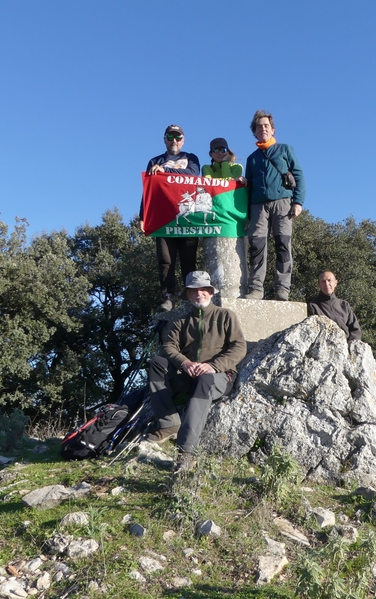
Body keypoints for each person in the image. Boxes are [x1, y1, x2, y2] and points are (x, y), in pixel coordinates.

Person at [145, 271, 247, 471]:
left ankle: (185, 452)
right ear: (189, 295)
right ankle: (168, 424)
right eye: (194, 290)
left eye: (203, 289)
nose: (199, 294)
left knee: (205, 379)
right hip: (188, 376)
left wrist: (213, 366)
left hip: (218, 378)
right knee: (156, 363)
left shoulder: (226, 316)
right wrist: (185, 363)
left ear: (210, 292)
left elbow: (239, 347)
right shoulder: (180, 322)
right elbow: (168, 347)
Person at [242, 110, 306, 301]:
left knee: (283, 245)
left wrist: (298, 201)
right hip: (258, 206)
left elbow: (299, 175)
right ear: (254, 132)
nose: (263, 129)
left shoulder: (285, 149)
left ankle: (282, 289)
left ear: (273, 129)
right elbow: (249, 187)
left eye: (266, 126)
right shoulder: (252, 158)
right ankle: (255, 289)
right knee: (257, 246)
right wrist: (246, 215)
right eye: (259, 127)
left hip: (283, 203)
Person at [140, 124, 201, 311]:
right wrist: (143, 215)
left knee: (188, 259)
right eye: (170, 137)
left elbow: (193, 174)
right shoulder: (154, 161)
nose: (174, 140)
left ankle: (190, 295)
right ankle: (168, 296)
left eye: (178, 137)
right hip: (163, 219)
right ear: (164, 139)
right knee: (165, 260)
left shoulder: (191, 158)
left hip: (187, 218)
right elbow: (148, 190)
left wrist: (165, 172)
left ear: (183, 139)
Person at [307, 270, 362, 342]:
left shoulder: (344, 305)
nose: (327, 284)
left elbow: (355, 329)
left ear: (335, 283)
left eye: (329, 280)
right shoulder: (313, 306)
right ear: (319, 285)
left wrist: (351, 346)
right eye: (323, 281)